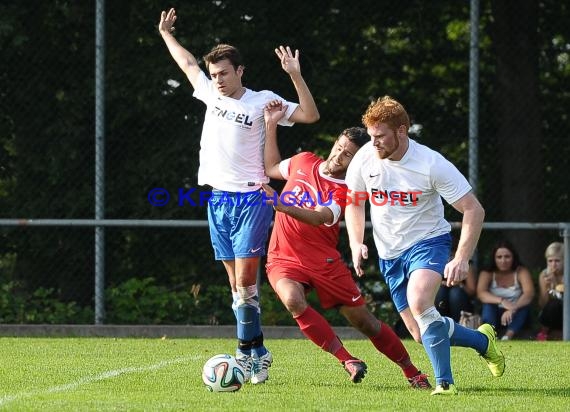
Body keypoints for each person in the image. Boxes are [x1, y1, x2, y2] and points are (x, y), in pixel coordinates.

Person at [158, 8, 320, 384]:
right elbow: (184, 62)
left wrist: (295, 76)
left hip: (252, 200)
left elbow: (310, 115)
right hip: (218, 201)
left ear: (240, 71)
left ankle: (245, 355)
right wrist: (165, 33)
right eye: (213, 75)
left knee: (247, 284)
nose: (218, 81)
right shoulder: (209, 93)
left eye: (224, 74)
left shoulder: (262, 101)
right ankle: (258, 350)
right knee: (238, 292)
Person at [260, 100, 431, 389]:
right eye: (339, 146)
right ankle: (347, 359)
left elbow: (319, 217)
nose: (339, 155)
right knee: (292, 300)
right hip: (283, 257)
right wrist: (270, 124)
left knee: (365, 323)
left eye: (348, 154)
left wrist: (283, 207)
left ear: (358, 162)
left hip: (323, 262)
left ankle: (412, 371)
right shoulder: (303, 161)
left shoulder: (347, 191)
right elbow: (272, 167)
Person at [344, 95, 505, 396]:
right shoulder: (365, 158)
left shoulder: (431, 164)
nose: (374, 143)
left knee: (420, 303)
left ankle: (445, 384)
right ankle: (483, 342)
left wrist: (461, 258)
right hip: (390, 254)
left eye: (381, 136)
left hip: (428, 242)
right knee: (420, 332)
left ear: (402, 131)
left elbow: (474, 209)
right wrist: (355, 242)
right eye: (371, 136)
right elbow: (354, 203)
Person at [476, 240, 535, 340]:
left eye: (507, 257)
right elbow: (481, 293)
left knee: (524, 308)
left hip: (515, 312)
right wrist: (502, 301)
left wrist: (512, 308)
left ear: (513, 258)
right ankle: (490, 336)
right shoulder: (487, 272)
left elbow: (529, 294)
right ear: (494, 259)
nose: (503, 261)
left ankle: (508, 336)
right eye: (499, 257)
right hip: (495, 312)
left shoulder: (521, 271)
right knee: (488, 305)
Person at [536, 242, 564, 340]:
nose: (553, 264)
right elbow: (543, 304)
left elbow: (565, 300)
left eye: (557, 261)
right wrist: (546, 287)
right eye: (550, 261)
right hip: (550, 315)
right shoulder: (544, 274)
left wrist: (556, 284)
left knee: (557, 303)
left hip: (565, 310)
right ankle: (544, 333)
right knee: (552, 304)